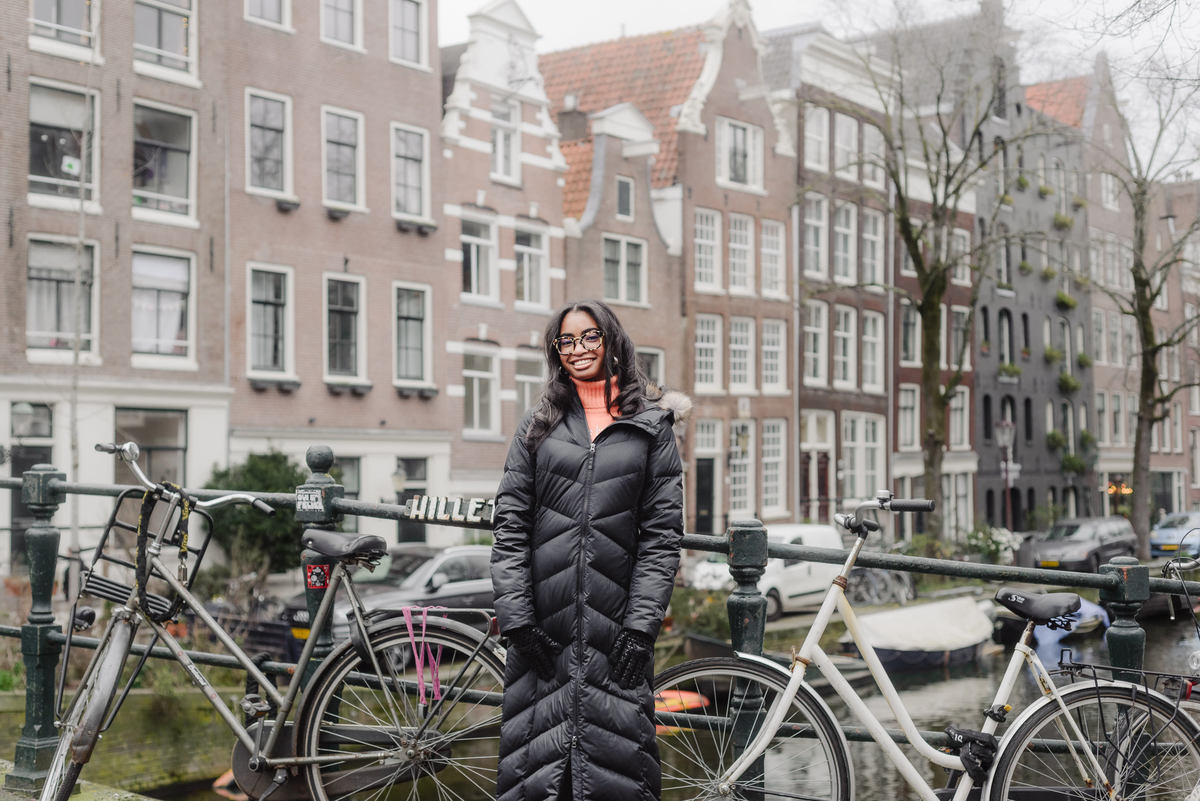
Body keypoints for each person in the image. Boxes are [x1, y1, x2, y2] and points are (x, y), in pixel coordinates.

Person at [491, 299, 686, 801]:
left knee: (617, 772)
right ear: (556, 351)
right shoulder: (539, 424)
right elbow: (510, 526)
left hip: (614, 633)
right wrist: (517, 621)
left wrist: (641, 628)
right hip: (544, 633)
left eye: (589, 336)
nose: (578, 348)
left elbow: (661, 537)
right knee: (536, 774)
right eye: (567, 340)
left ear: (611, 340)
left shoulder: (652, 428)